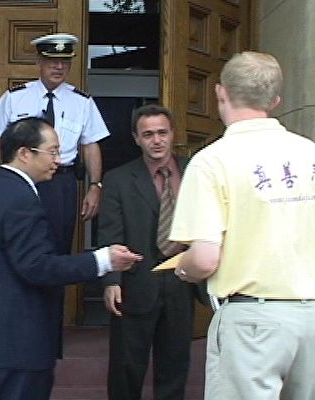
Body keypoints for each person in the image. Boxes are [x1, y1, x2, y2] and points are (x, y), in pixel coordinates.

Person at [170, 51, 315, 400]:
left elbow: (205, 259)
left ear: (220, 92)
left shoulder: (211, 161)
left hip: (253, 320)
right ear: (275, 101)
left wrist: (184, 269)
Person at [0, 117, 142, 400]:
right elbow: (37, 266)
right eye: (53, 151)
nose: (59, 159)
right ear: (24, 153)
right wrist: (102, 260)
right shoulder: (19, 198)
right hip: (17, 344)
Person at [98, 104, 202, 400]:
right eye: (148, 135)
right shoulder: (118, 179)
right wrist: (111, 281)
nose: (157, 140)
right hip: (135, 283)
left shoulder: (196, 172)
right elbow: (110, 234)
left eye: (162, 133)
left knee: (174, 366)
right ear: (136, 138)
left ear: (173, 134)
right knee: (126, 368)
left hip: (182, 280)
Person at [0, 33, 109, 255]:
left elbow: (91, 145)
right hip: (20, 180)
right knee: (15, 241)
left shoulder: (82, 102)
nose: (59, 67)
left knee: (57, 246)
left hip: (60, 183)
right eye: (52, 61)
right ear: (39, 62)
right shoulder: (15, 97)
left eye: (65, 62)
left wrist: (94, 186)